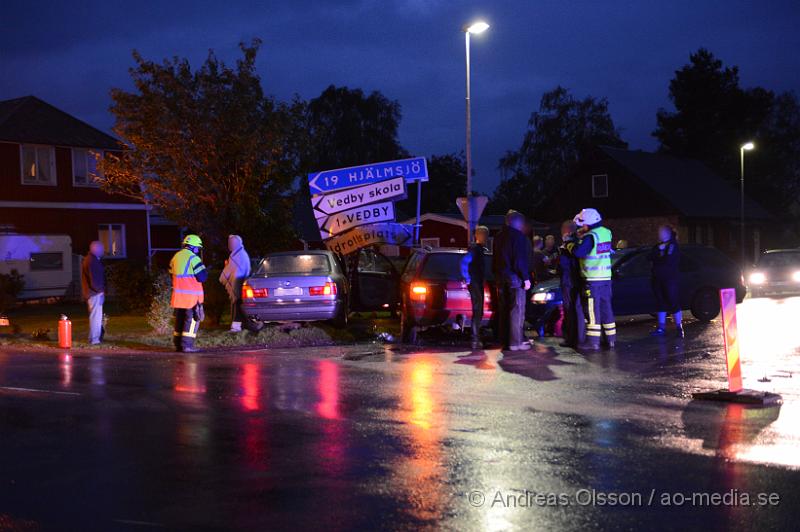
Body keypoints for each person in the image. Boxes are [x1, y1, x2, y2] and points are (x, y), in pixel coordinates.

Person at [572, 208, 616, 350]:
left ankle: (592, 342)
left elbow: (579, 253)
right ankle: (610, 339)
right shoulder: (606, 232)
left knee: (592, 310)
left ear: (588, 223)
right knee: (606, 308)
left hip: (593, 280)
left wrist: (570, 244)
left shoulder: (590, 237)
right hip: (606, 279)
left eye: (582, 224)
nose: (581, 227)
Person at [493, 210, 532, 351]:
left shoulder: (498, 236)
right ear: (518, 223)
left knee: (504, 310)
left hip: (500, 278)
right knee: (516, 310)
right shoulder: (519, 237)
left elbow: (495, 258)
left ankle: (504, 341)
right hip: (515, 279)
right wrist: (526, 279)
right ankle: (515, 342)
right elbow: (519, 261)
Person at [170, 234, 208, 353]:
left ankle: (178, 345)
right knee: (191, 322)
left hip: (178, 297)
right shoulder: (194, 259)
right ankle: (187, 346)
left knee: (179, 320)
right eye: (198, 248)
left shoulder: (176, 257)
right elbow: (202, 277)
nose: (198, 251)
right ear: (194, 248)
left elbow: (171, 272)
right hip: (191, 298)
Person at [649, 225, 684, 337]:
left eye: (662, 232)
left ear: (668, 233)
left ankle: (679, 327)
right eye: (659, 232)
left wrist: (660, 254)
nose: (660, 234)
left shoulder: (673, 245)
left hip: (670, 279)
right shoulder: (658, 246)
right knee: (660, 303)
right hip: (658, 278)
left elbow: (668, 260)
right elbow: (649, 257)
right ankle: (661, 328)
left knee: (673, 302)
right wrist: (659, 252)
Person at [557, 221, 586, 348]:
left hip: (569, 281)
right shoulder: (579, 242)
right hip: (578, 280)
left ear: (566, 232)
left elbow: (564, 266)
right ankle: (579, 337)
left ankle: (572, 339)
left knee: (570, 310)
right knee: (578, 309)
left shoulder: (567, 245)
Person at [461, 225, 490, 350]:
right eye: (484, 235)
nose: (486, 238)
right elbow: (464, 262)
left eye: (487, 235)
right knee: (477, 311)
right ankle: (475, 339)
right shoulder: (475, 249)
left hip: (477, 282)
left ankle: (476, 337)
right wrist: (467, 278)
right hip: (475, 283)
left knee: (479, 311)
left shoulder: (479, 250)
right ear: (478, 235)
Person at [219, 234, 251, 332]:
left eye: (232, 243)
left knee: (238, 303)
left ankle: (236, 327)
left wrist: (223, 277)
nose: (230, 245)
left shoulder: (240, 255)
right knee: (237, 303)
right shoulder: (235, 254)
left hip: (239, 283)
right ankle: (240, 325)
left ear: (238, 243)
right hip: (238, 283)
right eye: (229, 243)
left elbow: (234, 270)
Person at [81, 241, 105, 345]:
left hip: (91, 293)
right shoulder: (93, 261)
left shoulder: (89, 260)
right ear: (96, 249)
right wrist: (101, 292)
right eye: (102, 249)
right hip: (95, 294)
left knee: (94, 316)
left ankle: (92, 337)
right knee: (96, 317)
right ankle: (95, 340)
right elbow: (95, 280)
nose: (103, 251)